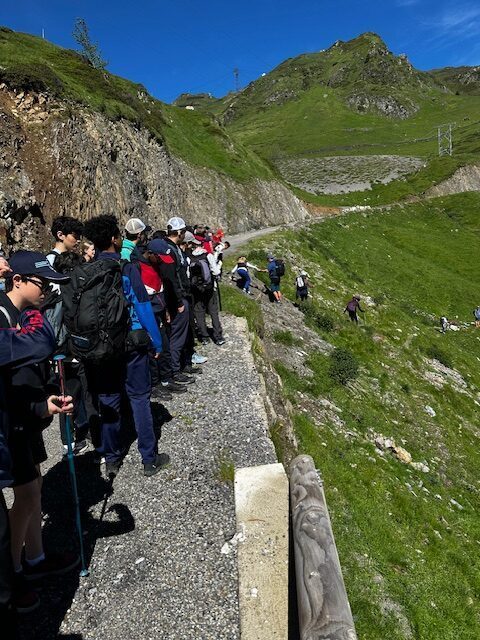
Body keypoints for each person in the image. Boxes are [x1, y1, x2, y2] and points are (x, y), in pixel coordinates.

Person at [0, 251, 76, 614]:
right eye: (42, 284)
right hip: (11, 423)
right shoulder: (5, 315)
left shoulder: (13, 312)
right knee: (28, 494)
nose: (47, 292)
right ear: (18, 281)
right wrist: (35, 408)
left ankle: (35, 556)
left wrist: (43, 404)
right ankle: (14, 571)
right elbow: (39, 343)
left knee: (35, 490)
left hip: (24, 418)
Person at [82, 215, 168, 478]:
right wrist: (156, 340)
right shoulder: (126, 266)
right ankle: (149, 458)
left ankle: (112, 458)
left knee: (109, 398)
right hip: (131, 341)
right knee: (140, 398)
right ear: (113, 239)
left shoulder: (86, 270)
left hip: (100, 344)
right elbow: (142, 305)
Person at [189, 232, 225, 346]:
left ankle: (204, 337)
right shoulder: (207, 255)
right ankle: (218, 337)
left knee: (199, 312)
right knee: (213, 311)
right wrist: (218, 265)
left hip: (195, 289)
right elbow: (216, 271)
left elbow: (187, 275)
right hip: (209, 288)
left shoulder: (189, 258)